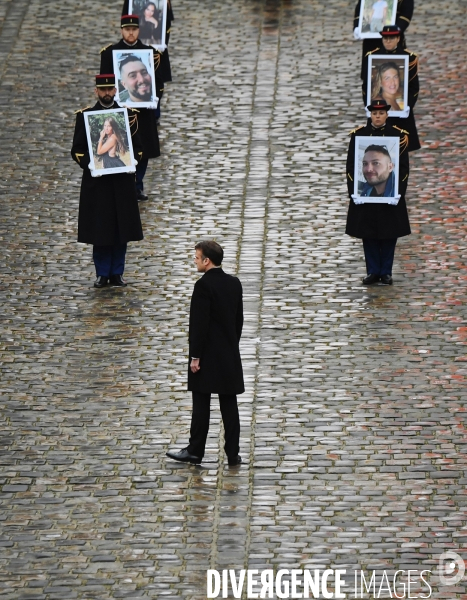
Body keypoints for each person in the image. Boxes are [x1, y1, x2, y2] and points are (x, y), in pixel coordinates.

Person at [166, 241, 244, 466]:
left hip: (207, 356)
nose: (195, 260)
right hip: (228, 354)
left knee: (201, 405)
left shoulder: (203, 286)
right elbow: (238, 320)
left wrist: (195, 356)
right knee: (229, 405)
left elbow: (198, 325)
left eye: (197, 257)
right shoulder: (234, 283)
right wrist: (231, 345)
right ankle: (233, 453)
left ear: (207, 260)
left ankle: (195, 449)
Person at [71, 74, 143, 288]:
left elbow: (138, 148)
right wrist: (90, 164)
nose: (107, 93)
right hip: (98, 183)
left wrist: (132, 161)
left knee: (121, 228)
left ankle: (117, 272)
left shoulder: (128, 116)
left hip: (121, 182)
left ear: (115, 90)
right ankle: (102, 273)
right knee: (100, 228)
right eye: (102, 90)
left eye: (110, 89)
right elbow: (77, 150)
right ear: (96, 91)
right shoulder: (85, 116)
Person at [345, 99, 410, 285]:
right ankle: (373, 271)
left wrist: (399, 192)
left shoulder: (398, 136)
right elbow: (351, 167)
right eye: (375, 113)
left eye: (381, 113)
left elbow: (404, 168)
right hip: (366, 195)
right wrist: (354, 193)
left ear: (387, 115)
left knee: (390, 232)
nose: (378, 116)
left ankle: (386, 271)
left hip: (390, 195)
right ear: (370, 115)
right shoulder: (359, 135)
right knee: (369, 232)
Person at [100, 14, 161, 201]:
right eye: (127, 29)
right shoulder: (109, 52)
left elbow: (156, 82)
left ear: (138, 30)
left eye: (134, 29)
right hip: (120, 110)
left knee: (144, 150)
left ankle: (137, 185)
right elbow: (105, 84)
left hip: (143, 112)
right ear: (121, 30)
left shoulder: (149, 52)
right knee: (122, 149)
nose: (131, 33)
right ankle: (125, 187)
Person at [362, 25, 420, 151]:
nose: (388, 41)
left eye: (391, 38)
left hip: (401, 117)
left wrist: (407, 105)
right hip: (379, 112)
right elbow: (366, 85)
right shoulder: (372, 56)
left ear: (398, 38)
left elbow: (414, 87)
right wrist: (369, 105)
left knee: (401, 150)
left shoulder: (409, 58)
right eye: (385, 38)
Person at [354, 0, 414, 78]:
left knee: (396, 73)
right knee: (369, 76)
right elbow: (361, 8)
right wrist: (358, 26)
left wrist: (397, 29)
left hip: (393, 39)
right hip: (371, 41)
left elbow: (406, 13)